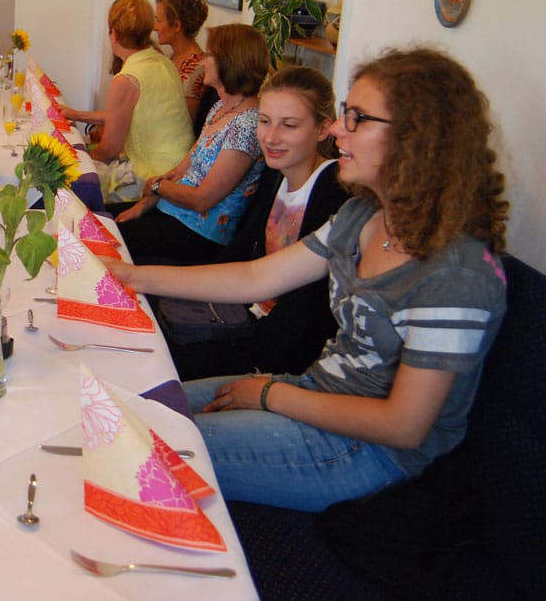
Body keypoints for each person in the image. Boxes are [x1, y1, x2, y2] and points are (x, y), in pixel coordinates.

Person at [106, 47, 508, 513]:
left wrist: (271, 394)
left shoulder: (457, 273)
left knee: (133, 445)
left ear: (418, 138)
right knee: (127, 406)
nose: (337, 129)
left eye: (357, 118)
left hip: (369, 452)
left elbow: (403, 426)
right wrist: (129, 275)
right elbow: (255, 277)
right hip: (313, 394)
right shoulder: (362, 215)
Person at [161, 65, 349, 380]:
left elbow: (306, 312)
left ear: (323, 129)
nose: (271, 137)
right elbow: (240, 251)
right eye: (264, 121)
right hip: (246, 316)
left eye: (289, 125)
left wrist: (252, 363)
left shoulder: (332, 190)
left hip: (278, 351)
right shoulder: (277, 173)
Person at [115, 23, 268, 265]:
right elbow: (181, 170)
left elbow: (202, 199)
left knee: (107, 239)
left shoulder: (246, 125)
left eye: (209, 55)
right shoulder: (220, 108)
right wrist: (145, 204)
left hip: (199, 235)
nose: (202, 61)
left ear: (229, 62)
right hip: (173, 212)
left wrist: (157, 187)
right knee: (101, 220)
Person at [59, 0, 193, 202]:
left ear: (113, 33)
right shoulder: (162, 61)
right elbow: (128, 115)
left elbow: (109, 149)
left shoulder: (127, 79)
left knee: (62, 184)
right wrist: (76, 115)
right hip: (181, 168)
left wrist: (81, 158)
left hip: (152, 175)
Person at [154, 0, 210, 123]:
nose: (154, 27)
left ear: (177, 26)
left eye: (159, 21)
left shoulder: (196, 68)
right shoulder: (174, 57)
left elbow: (183, 122)